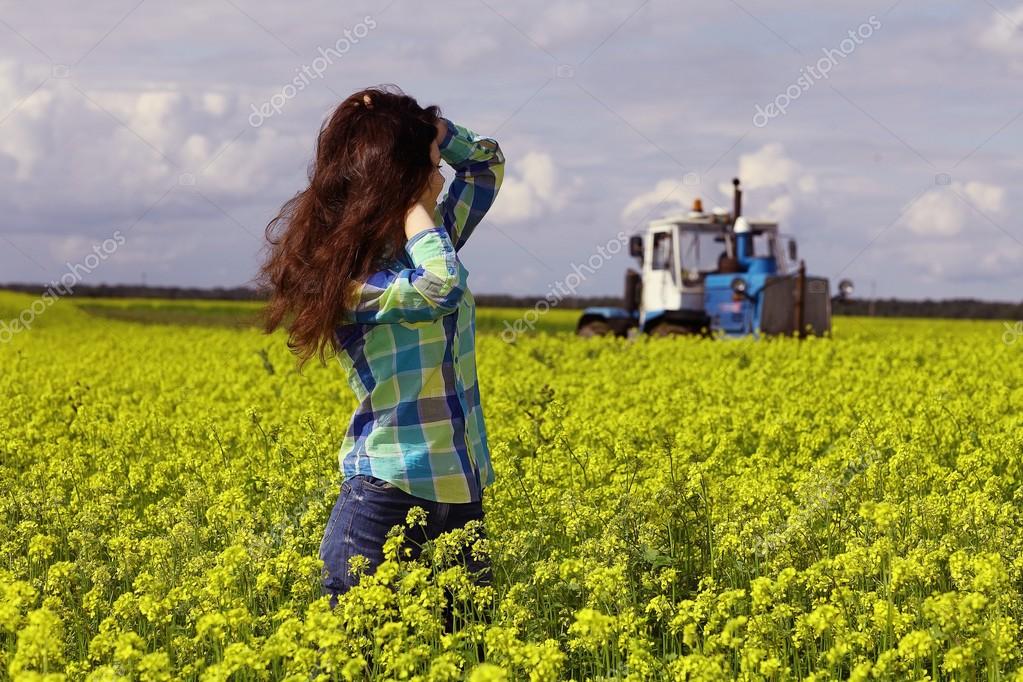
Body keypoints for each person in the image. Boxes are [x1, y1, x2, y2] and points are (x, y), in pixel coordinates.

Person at [257, 85, 505, 627]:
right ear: (398, 180)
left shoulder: (427, 243)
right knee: (363, 658)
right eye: (431, 169)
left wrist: (437, 131)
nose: (441, 178)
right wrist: (415, 205)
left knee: (469, 655)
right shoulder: (351, 282)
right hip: (386, 500)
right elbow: (440, 288)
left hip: (462, 496)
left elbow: (485, 166)